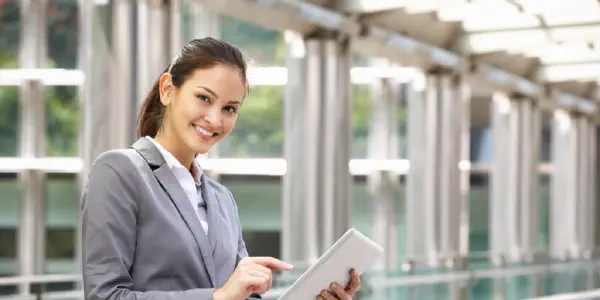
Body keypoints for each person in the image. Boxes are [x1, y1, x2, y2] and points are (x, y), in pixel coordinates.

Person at [80, 37, 361, 300]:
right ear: (167, 90)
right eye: (204, 98)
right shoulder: (119, 172)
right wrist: (218, 297)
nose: (215, 120)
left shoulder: (221, 199)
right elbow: (106, 296)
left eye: (229, 109)